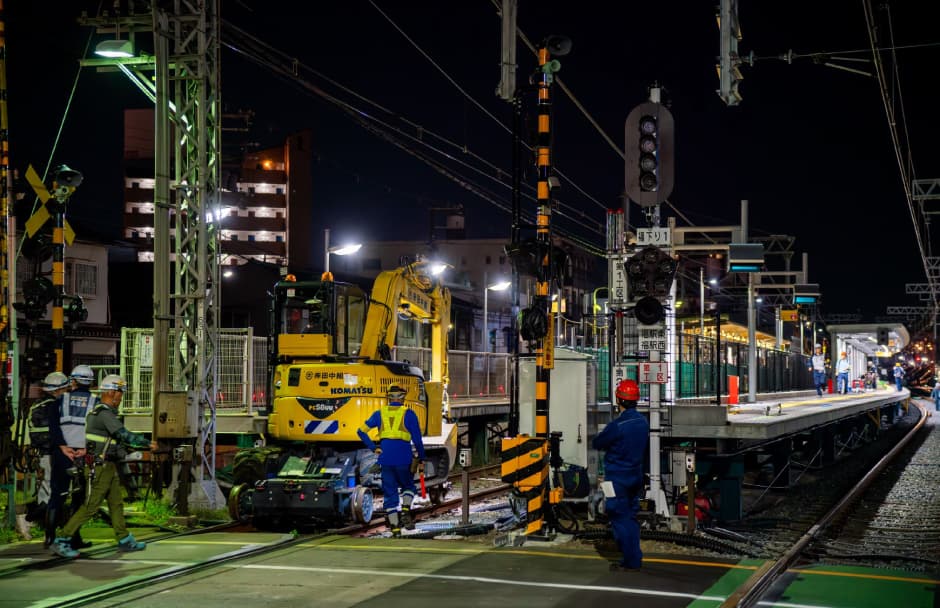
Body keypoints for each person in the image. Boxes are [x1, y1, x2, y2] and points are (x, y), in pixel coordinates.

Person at [50, 374, 154, 558]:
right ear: (112, 392)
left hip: (107, 465)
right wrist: (147, 444)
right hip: (100, 467)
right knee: (90, 506)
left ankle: (124, 539)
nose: (121, 397)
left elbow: (113, 442)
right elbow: (124, 435)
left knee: (116, 503)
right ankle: (62, 539)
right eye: (120, 392)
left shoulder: (101, 413)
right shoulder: (104, 414)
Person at [592, 379, 649, 572]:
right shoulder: (643, 422)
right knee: (630, 517)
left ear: (619, 399)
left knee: (619, 517)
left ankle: (631, 560)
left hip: (618, 479)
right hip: (636, 476)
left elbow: (598, 443)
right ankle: (634, 556)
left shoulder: (618, 425)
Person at [356, 384, 426, 537]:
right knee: (408, 486)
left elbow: (360, 431)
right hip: (404, 458)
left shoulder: (379, 413)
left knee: (389, 493)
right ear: (403, 398)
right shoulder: (409, 414)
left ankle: (395, 529)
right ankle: (406, 510)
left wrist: (373, 448)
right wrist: (422, 457)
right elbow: (417, 440)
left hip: (385, 459)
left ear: (389, 397)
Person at [46, 365, 97, 550]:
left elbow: (53, 427)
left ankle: (50, 537)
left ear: (73, 381)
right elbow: (96, 430)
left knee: (57, 493)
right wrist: (85, 449)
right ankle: (73, 538)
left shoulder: (59, 401)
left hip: (62, 453)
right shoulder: (96, 402)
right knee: (79, 497)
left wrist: (63, 446)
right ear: (91, 382)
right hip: (84, 455)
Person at [27, 372, 71, 547]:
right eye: (65, 388)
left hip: (43, 455)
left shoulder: (35, 407)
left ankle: (44, 526)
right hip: (59, 453)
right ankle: (38, 520)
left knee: (46, 489)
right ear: (59, 389)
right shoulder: (59, 407)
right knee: (59, 491)